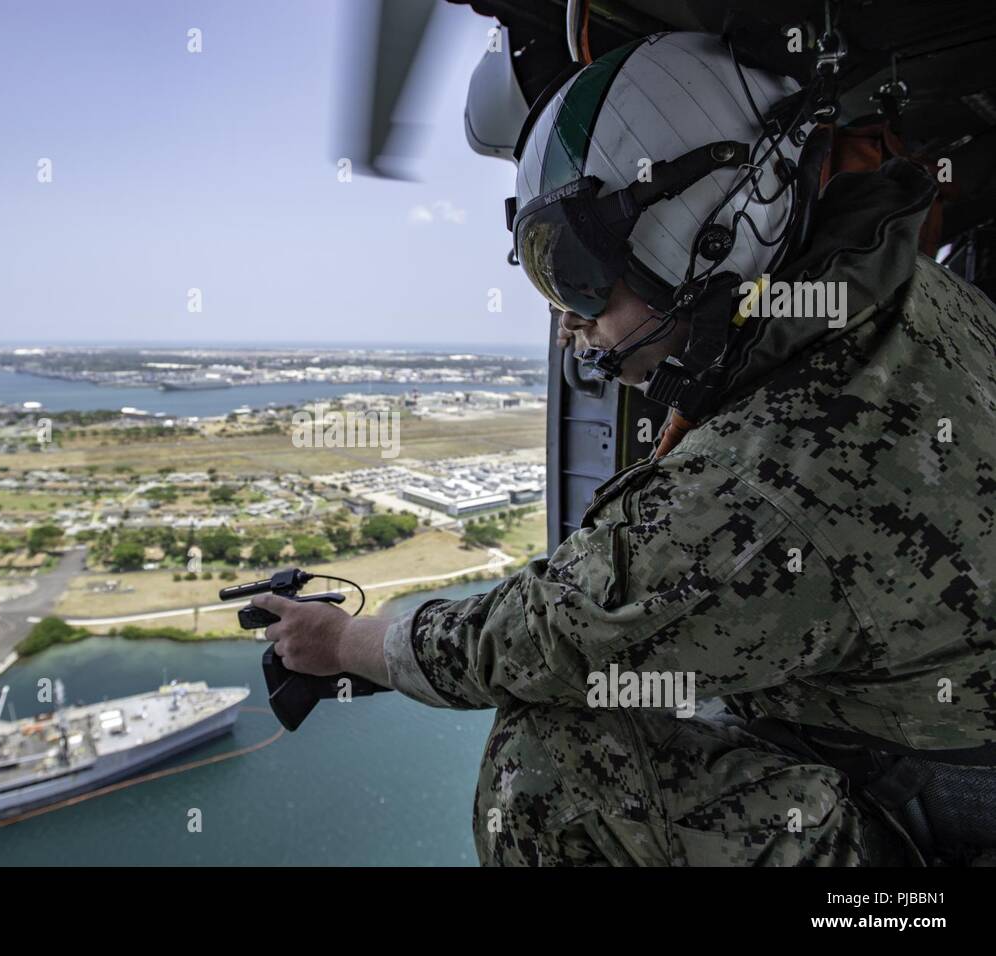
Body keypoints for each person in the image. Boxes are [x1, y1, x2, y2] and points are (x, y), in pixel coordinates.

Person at [253, 32, 996, 866]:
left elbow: (555, 635)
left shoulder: (769, 478)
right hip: (940, 727)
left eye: (574, 274)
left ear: (716, 227)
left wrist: (348, 644)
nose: (567, 323)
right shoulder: (895, 285)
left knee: (552, 764)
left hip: (942, 798)